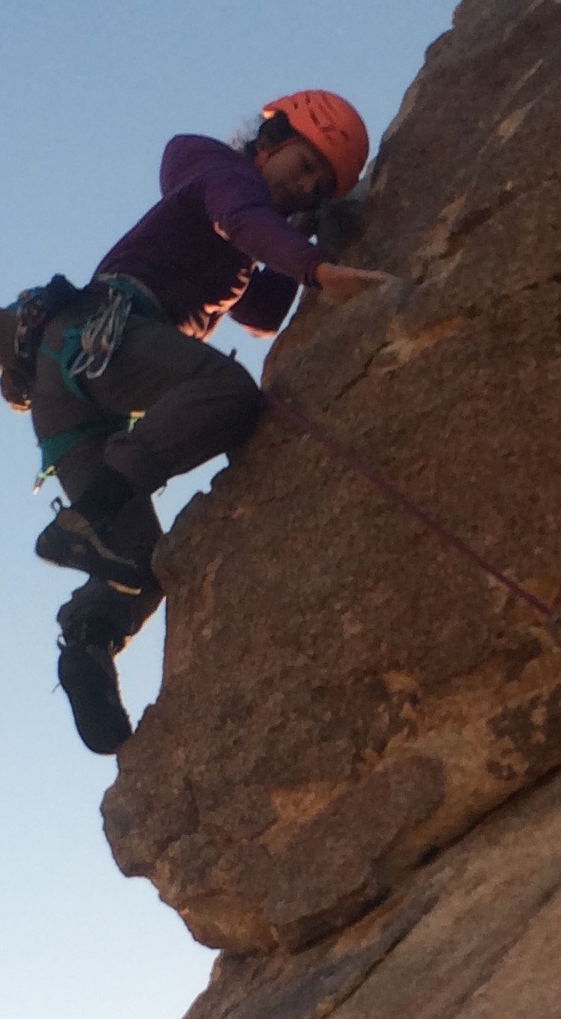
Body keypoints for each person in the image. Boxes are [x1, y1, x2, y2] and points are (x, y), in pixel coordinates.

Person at [24, 89, 386, 754]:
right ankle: (90, 513)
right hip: (103, 338)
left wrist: (321, 233)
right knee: (224, 389)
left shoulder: (239, 221)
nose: (304, 187)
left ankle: (88, 644)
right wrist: (318, 263)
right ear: (269, 141)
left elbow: (266, 308)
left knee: (144, 563)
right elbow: (245, 218)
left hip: (68, 389)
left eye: (316, 185)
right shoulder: (223, 176)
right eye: (303, 165)